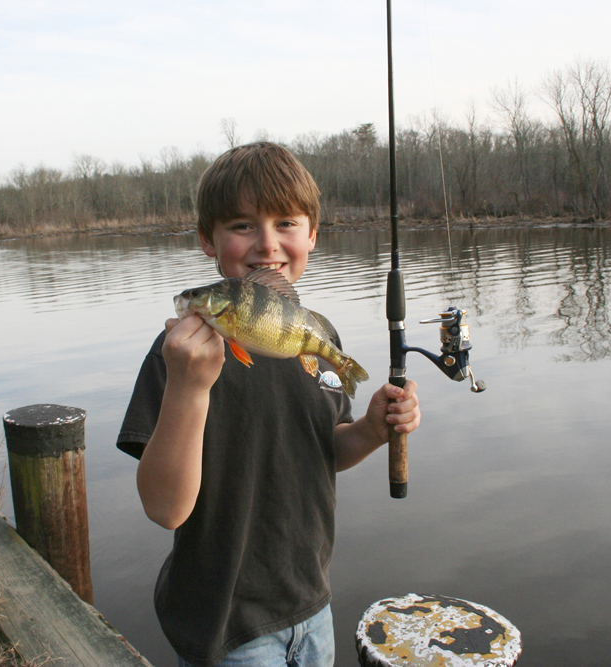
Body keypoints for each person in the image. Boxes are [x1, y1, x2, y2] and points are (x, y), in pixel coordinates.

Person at [117, 142, 420, 667]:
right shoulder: (179, 356)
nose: (267, 244)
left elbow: (324, 450)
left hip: (312, 605)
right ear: (207, 240)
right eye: (241, 225)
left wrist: (371, 430)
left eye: (286, 222)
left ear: (312, 234)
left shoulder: (314, 336)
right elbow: (165, 510)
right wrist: (189, 388)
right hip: (228, 627)